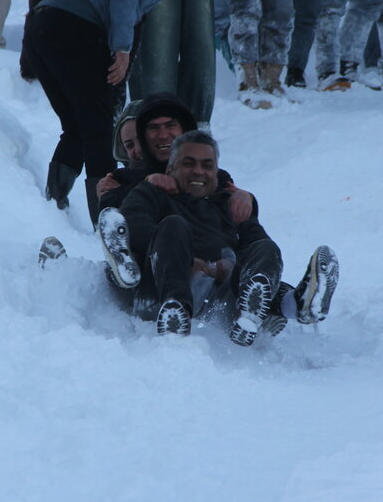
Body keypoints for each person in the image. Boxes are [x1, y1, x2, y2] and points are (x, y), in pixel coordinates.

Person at [23, 0, 229, 222]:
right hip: (72, 24)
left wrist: (123, 54)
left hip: (48, 26)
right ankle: (110, 222)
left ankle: (54, 206)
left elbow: (133, 13)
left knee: (79, 126)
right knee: (98, 129)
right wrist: (121, 47)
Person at [112, 130, 339, 344]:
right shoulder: (153, 194)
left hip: (219, 294)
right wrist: (190, 262)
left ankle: (274, 310)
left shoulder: (229, 204)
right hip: (162, 288)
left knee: (265, 248)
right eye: (188, 163)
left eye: (207, 165)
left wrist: (226, 269)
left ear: (216, 171)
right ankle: (176, 310)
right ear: (170, 169)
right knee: (174, 225)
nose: (199, 171)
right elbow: (134, 228)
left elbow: (257, 246)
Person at [97, 93, 255, 220]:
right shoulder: (125, 177)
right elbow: (108, 215)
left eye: (170, 125)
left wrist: (247, 199)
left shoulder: (213, 175)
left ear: (185, 130)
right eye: (153, 128)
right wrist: (149, 184)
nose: (163, 135)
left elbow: (239, 217)